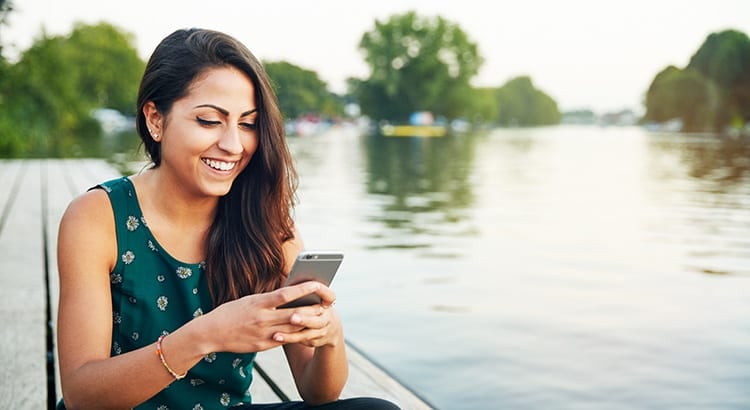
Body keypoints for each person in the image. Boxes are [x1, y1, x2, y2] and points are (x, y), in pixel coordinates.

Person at [56, 28, 399, 410]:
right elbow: (82, 394)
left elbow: (319, 393)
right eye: (209, 121)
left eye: (248, 123)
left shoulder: (265, 224)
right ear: (155, 119)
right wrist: (206, 335)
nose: (234, 145)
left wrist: (330, 335)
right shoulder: (98, 218)